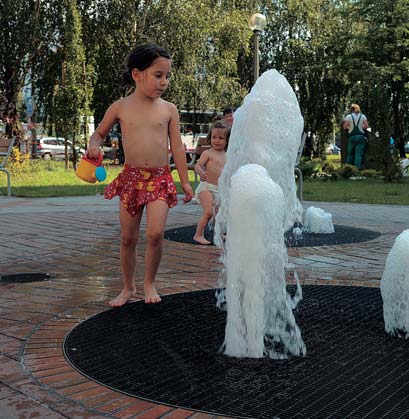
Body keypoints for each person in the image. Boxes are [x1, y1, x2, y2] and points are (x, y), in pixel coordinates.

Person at [87, 44, 194, 307]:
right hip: (132, 179)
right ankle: (127, 287)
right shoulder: (120, 107)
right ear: (137, 74)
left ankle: (149, 283)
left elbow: (177, 147)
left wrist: (184, 182)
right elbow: (99, 133)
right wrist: (94, 144)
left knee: (155, 234)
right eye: (158, 75)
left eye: (167, 76)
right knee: (128, 237)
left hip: (159, 179)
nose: (164, 82)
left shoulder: (169, 110)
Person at [193, 120, 230, 245]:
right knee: (208, 212)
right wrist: (201, 172)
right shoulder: (207, 153)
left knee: (218, 215)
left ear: (227, 140)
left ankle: (218, 233)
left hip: (219, 190)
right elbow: (197, 165)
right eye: (214, 137)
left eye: (221, 138)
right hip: (206, 187)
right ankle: (198, 235)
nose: (216, 140)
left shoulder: (227, 156)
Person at [343, 104, 368, 169]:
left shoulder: (348, 116)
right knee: (358, 154)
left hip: (352, 137)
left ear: (352, 109)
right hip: (360, 136)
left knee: (350, 153)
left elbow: (345, 127)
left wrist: (350, 127)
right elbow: (366, 127)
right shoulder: (363, 116)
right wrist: (361, 126)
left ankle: (348, 168)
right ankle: (357, 168)